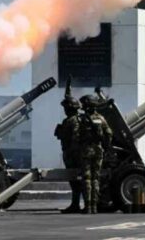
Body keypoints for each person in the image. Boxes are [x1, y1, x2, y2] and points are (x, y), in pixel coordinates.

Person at [78, 94, 113, 214]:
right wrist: (106, 146)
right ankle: (94, 206)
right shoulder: (101, 118)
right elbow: (108, 133)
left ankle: (88, 206)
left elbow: (76, 136)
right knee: (96, 179)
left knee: (87, 178)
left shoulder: (82, 119)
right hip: (98, 150)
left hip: (86, 151)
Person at [55, 80, 84, 214]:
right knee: (74, 182)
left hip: (74, 156)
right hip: (69, 154)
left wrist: (73, 154)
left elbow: (76, 139)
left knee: (78, 181)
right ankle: (75, 204)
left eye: (66, 108)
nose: (64, 109)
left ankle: (82, 204)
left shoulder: (75, 121)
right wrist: (68, 88)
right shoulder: (70, 120)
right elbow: (68, 99)